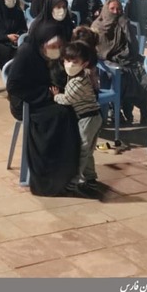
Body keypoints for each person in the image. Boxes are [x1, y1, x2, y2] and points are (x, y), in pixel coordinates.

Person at [6, 18, 83, 197]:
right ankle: (47, 179)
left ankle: (66, 174)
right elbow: (14, 86)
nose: (57, 49)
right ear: (42, 42)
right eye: (53, 45)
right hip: (26, 101)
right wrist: (46, 94)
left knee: (70, 113)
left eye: (59, 45)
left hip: (46, 96)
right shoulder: (27, 52)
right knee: (59, 116)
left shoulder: (51, 54)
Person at [51, 40, 102, 193]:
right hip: (92, 118)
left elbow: (68, 99)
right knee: (88, 151)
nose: (70, 65)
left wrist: (56, 96)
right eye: (67, 61)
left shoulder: (78, 82)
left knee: (82, 151)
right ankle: (91, 178)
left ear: (84, 64)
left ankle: (74, 181)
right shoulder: (79, 76)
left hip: (88, 119)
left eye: (74, 62)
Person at [92, 0, 147, 125]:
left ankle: (146, 112)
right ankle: (115, 111)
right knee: (124, 75)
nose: (115, 12)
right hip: (107, 64)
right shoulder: (97, 26)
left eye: (118, 9)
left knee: (145, 74)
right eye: (112, 9)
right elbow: (100, 52)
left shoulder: (123, 23)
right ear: (105, 9)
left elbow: (134, 49)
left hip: (127, 59)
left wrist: (126, 27)